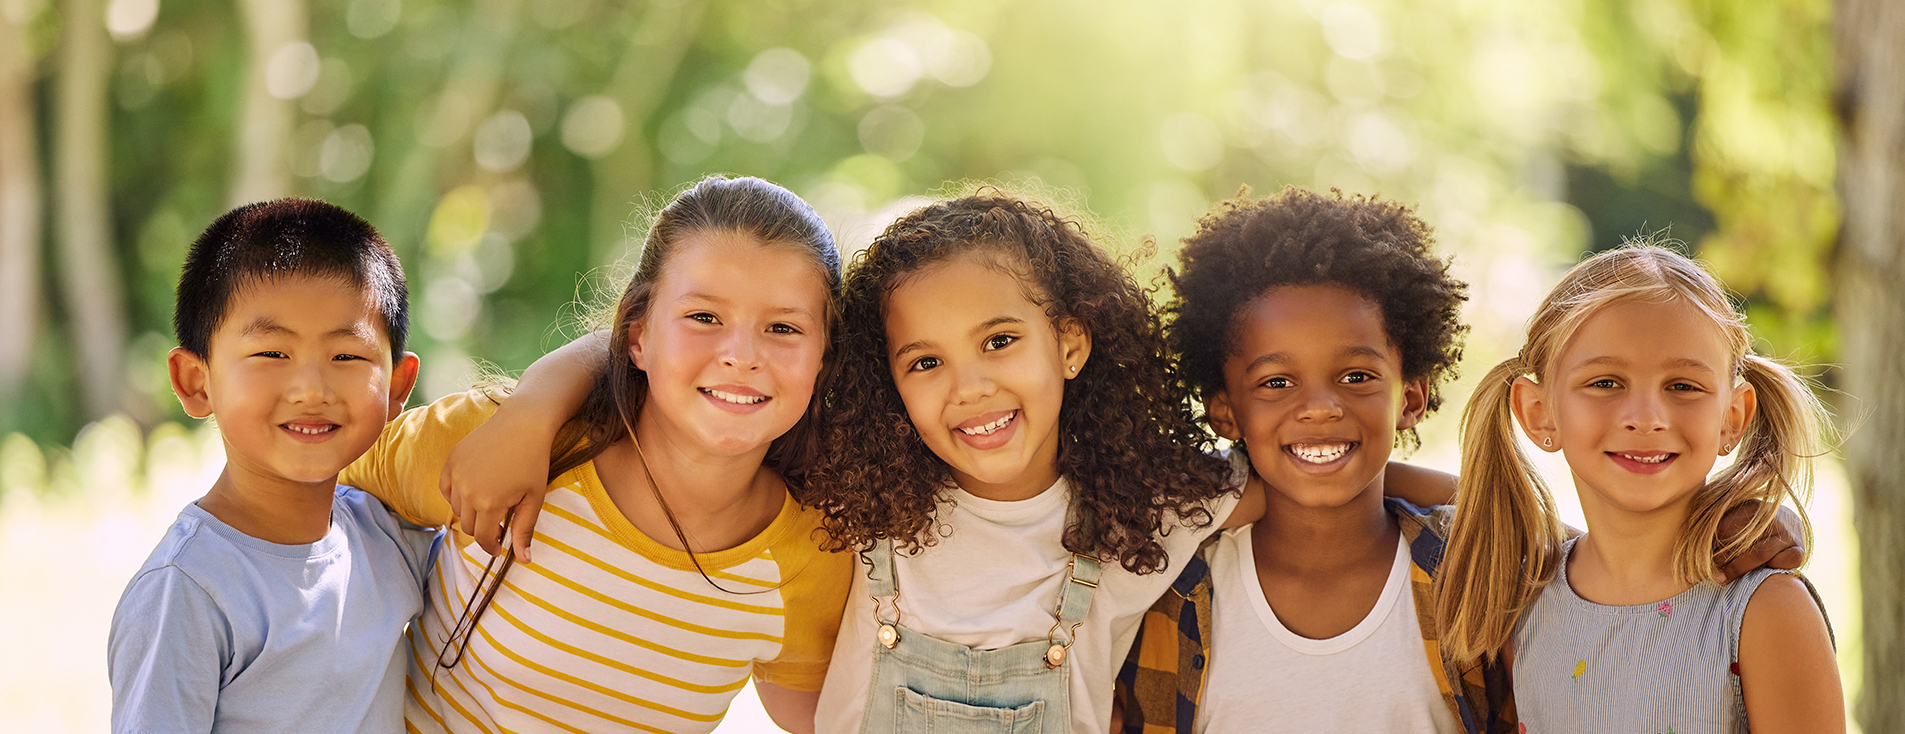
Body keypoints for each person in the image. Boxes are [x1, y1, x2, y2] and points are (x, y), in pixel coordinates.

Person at [800, 192, 1456, 733]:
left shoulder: (1145, 513)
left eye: (999, 341)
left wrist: (1481, 495)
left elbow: (1308, 477)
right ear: (887, 377)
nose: (969, 387)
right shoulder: (856, 503)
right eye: (925, 361)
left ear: (1069, 344)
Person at [337, 176, 852, 733]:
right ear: (637, 337)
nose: (742, 355)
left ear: (825, 359)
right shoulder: (500, 441)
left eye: (783, 327)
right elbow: (312, 486)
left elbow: (824, 719)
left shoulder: (813, 553)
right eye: (704, 317)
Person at [1117, 188, 1510, 733]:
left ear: (1410, 398)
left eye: (1356, 376)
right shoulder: (1167, 587)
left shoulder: (1475, 578)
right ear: (1225, 412)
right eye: (1277, 382)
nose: (1321, 407)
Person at [1434, 244, 1843, 732]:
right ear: (1538, 412)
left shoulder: (1766, 612)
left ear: (1732, 419)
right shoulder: (1521, 606)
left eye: (1683, 386)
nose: (1646, 418)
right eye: (1605, 383)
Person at [109, 198, 439, 733]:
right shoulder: (187, 590)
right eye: (271, 354)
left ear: (397, 386)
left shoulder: (390, 537)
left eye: (347, 356)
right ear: (196, 382)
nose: (311, 389)